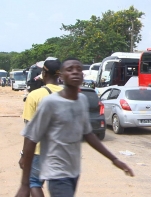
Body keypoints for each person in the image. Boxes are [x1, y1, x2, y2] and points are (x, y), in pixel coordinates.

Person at [16, 58, 134, 197]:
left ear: (83, 76)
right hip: (57, 172)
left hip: (73, 171)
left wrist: (114, 159)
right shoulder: (50, 102)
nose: (75, 72)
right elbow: (31, 138)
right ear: (61, 76)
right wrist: (25, 184)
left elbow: (89, 135)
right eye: (69, 69)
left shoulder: (82, 100)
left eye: (78, 69)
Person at [20, 58, 63, 197]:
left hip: (40, 150)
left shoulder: (34, 96)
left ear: (44, 73)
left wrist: (24, 155)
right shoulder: (71, 94)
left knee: (34, 182)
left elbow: (29, 130)